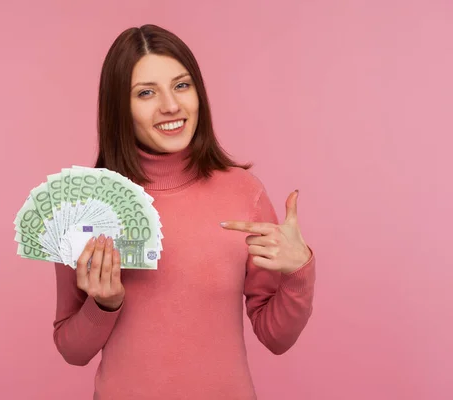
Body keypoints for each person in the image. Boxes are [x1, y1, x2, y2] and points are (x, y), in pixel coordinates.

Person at [52, 24, 316, 400]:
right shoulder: (85, 207)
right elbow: (71, 350)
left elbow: (276, 338)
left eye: (181, 85)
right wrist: (104, 304)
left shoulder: (243, 192)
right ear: (118, 107)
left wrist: (298, 272)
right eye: (146, 93)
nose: (171, 106)